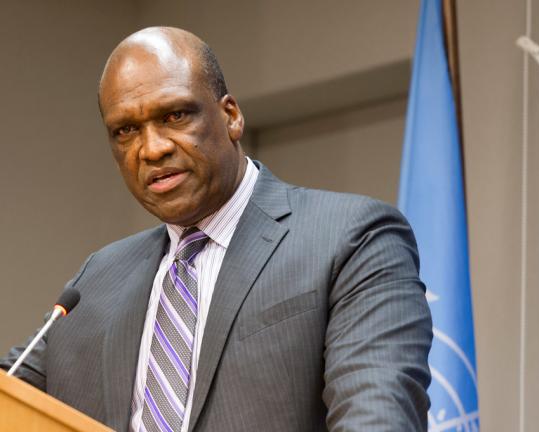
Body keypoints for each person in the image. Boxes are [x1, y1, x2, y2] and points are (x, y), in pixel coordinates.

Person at [1, 27, 432, 431]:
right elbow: (10, 394)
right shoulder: (95, 282)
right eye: (126, 130)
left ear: (231, 116)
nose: (152, 148)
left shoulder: (351, 239)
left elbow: (377, 418)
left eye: (175, 115)